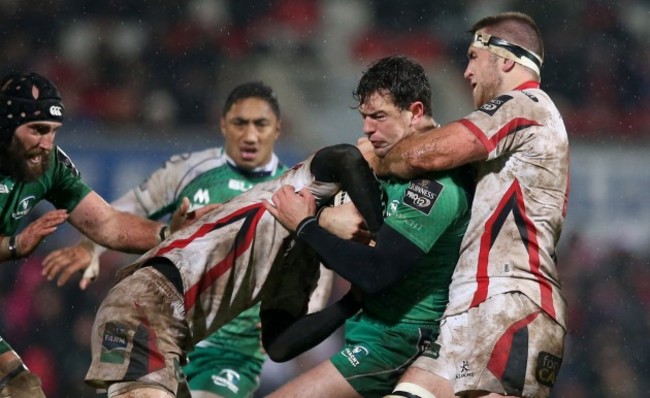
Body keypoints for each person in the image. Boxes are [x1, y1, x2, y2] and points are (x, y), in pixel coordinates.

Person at [43, 80, 329, 398]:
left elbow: (316, 258)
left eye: (261, 124)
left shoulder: (295, 190)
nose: (250, 135)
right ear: (223, 125)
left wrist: (300, 314)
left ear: (277, 129)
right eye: (239, 123)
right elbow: (122, 210)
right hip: (166, 331)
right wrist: (90, 248)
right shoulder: (187, 172)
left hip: (233, 350)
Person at [83, 142, 385, 398]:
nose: (356, 246)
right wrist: (378, 234)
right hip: (146, 306)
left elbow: (279, 345)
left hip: (171, 334)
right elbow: (347, 156)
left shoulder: (302, 266)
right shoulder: (300, 190)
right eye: (359, 229)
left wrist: (351, 303)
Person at [371, 12, 569, 398]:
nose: (466, 71)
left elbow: (428, 155)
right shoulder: (529, 119)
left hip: (511, 303)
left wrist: (377, 160)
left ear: (506, 60)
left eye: (473, 57)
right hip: (472, 311)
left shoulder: (526, 103)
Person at [260, 55, 474, 398]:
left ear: (415, 113)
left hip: (402, 338)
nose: (367, 128)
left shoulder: (436, 185)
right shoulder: (387, 165)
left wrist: (305, 225)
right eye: (364, 117)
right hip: (369, 327)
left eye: (379, 116)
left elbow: (376, 273)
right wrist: (328, 217)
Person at [0, 72, 203, 397]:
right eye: (37, 130)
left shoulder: (48, 164)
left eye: (53, 131)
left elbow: (106, 223)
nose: (47, 143)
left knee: (22, 389)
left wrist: (166, 232)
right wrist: (14, 244)